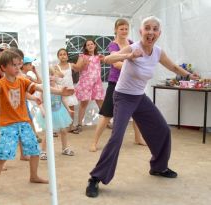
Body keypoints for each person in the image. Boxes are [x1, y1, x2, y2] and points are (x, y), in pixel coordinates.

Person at [85, 16, 200, 198]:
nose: (151, 32)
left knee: (163, 130)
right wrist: (128, 56)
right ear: (141, 31)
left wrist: (188, 75)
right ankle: (95, 178)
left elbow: (173, 67)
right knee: (117, 137)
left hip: (139, 98)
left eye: (155, 29)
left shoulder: (158, 52)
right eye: (147, 28)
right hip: (123, 97)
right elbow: (108, 59)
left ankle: (159, 167)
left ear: (159, 33)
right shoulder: (134, 47)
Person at [0, 50, 73, 197]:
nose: (18, 67)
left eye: (19, 64)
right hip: (8, 125)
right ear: (3, 67)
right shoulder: (1, 82)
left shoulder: (23, 81)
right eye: (14, 65)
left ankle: (34, 176)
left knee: (34, 151)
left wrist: (59, 91)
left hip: (24, 122)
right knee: (2, 157)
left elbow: (40, 87)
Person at [89, 18, 146, 152]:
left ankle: (138, 138)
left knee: (137, 112)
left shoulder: (132, 43)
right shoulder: (113, 45)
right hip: (115, 84)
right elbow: (115, 63)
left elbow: (138, 60)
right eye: (121, 29)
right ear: (116, 30)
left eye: (126, 28)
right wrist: (132, 66)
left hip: (131, 84)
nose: (124, 31)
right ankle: (94, 142)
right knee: (107, 114)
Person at [37, 67, 75, 160]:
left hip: (59, 112)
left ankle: (65, 148)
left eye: (52, 74)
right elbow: (39, 101)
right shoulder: (43, 88)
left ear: (56, 76)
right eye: (47, 75)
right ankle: (43, 151)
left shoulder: (59, 88)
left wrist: (68, 109)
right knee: (48, 133)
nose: (50, 77)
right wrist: (42, 110)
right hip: (48, 113)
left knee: (64, 131)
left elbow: (63, 99)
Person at [72, 39, 105, 134]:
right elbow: (77, 68)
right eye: (88, 45)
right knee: (83, 104)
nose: (90, 46)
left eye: (92, 44)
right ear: (86, 47)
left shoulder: (99, 57)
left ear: (95, 46)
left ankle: (106, 122)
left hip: (97, 83)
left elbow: (109, 61)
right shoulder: (82, 56)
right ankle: (79, 124)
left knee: (101, 103)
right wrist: (83, 64)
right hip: (86, 83)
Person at [55, 48, 79, 133]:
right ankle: (59, 127)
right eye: (60, 55)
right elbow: (54, 78)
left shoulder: (71, 65)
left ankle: (71, 125)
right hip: (60, 91)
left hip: (70, 89)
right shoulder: (56, 67)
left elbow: (79, 68)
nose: (63, 56)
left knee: (71, 108)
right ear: (58, 57)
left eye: (64, 54)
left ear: (67, 56)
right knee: (59, 109)